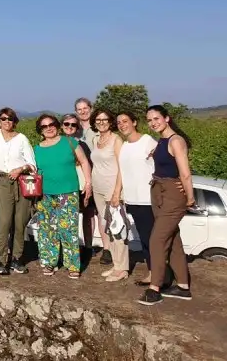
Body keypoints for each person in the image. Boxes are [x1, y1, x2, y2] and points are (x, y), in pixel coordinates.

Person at [138, 105, 194, 306]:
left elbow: (185, 172)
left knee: (157, 239)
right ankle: (183, 286)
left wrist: (190, 198)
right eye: (150, 120)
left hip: (172, 194)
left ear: (167, 118)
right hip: (159, 191)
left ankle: (154, 289)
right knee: (174, 240)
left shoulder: (175, 141)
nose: (153, 123)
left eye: (157, 119)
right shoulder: (161, 141)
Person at [33, 114, 92, 279]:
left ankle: (73, 264)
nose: (49, 128)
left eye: (51, 124)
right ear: (40, 130)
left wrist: (88, 183)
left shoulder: (70, 142)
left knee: (68, 229)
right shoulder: (36, 148)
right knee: (47, 230)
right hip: (45, 194)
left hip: (68, 192)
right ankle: (49, 262)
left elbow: (85, 162)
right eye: (44, 126)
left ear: (57, 125)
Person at [0, 108, 37, 275]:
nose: (6, 121)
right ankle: (0, 260)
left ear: (14, 121)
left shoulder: (22, 139)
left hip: (22, 182)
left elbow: (32, 164)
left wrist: (20, 168)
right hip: (2, 181)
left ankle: (17, 258)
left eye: (10, 118)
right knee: (3, 223)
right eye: (3, 118)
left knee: (19, 222)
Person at [116, 112, 157, 287]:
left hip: (148, 199)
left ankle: (157, 274)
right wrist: (118, 193)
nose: (122, 125)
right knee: (144, 238)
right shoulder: (125, 145)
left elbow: (160, 166)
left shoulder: (147, 141)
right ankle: (153, 271)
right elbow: (123, 172)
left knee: (151, 239)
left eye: (125, 121)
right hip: (133, 199)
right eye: (118, 123)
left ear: (134, 122)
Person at [89, 108, 128, 281]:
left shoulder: (116, 140)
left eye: (105, 120)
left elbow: (122, 167)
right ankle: (116, 264)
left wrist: (117, 192)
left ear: (110, 121)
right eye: (98, 120)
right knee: (108, 228)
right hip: (98, 188)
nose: (101, 122)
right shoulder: (95, 139)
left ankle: (122, 269)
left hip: (112, 188)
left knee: (118, 228)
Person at [62, 113, 96, 254]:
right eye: (66, 124)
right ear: (61, 126)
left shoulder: (82, 145)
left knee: (88, 215)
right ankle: (68, 246)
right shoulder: (57, 144)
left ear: (78, 127)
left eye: (73, 124)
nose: (70, 127)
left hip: (81, 185)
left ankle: (88, 246)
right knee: (67, 218)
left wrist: (89, 184)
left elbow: (88, 165)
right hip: (65, 185)